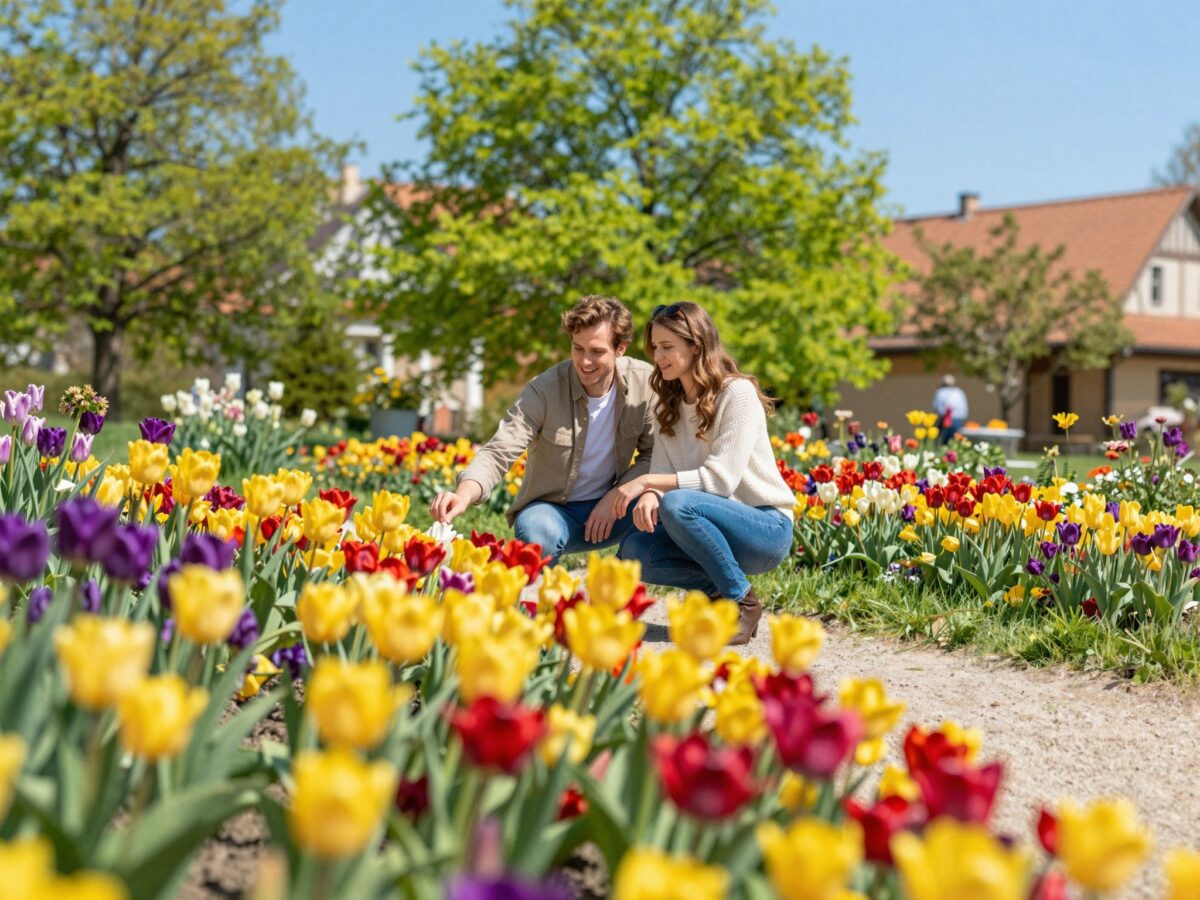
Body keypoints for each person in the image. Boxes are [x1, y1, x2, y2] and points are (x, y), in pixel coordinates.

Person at [613, 302, 795, 645]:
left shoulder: (736, 394)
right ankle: (719, 595)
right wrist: (651, 493)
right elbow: (663, 471)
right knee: (635, 549)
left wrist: (646, 483)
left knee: (679, 504)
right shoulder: (669, 405)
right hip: (709, 526)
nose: (658, 356)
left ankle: (744, 602)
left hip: (765, 528)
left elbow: (721, 479)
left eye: (668, 347)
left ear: (696, 346)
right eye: (654, 347)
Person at [429, 295, 656, 567]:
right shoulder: (544, 390)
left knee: (671, 504)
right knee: (539, 534)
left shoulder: (645, 383)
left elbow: (655, 454)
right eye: (577, 348)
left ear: (621, 348)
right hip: (552, 511)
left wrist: (618, 495)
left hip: (616, 508)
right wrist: (463, 494)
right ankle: (536, 601)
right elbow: (500, 449)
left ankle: (630, 580)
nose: (584, 361)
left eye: (596, 352)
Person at [932, 374, 969, 445]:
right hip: (957, 421)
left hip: (944, 421)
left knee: (942, 444)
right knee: (956, 443)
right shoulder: (959, 392)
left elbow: (938, 409)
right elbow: (964, 411)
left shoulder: (940, 392)